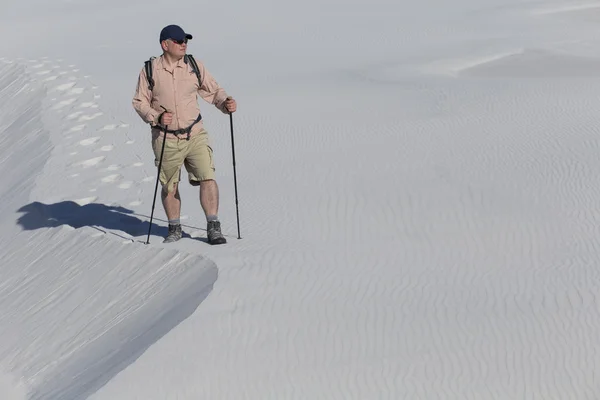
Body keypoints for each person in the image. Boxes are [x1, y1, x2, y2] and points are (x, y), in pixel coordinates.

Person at [132, 24, 237, 245]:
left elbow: (213, 90)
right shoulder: (150, 70)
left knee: (207, 176)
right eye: (179, 41)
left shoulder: (193, 65)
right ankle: (174, 228)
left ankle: (213, 226)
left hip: (195, 134)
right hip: (166, 138)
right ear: (165, 44)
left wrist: (225, 103)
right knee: (170, 184)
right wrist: (156, 117)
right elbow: (139, 102)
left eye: (185, 41)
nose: (184, 44)